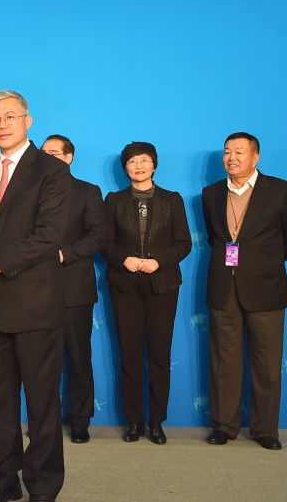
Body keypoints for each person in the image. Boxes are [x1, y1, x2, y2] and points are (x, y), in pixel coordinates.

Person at [0, 90, 71, 502]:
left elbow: (49, 236)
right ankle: (3, 482)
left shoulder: (51, 171)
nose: (2, 124)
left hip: (35, 307)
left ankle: (44, 487)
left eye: (10, 116)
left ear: (28, 120)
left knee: (42, 404)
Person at [203, 132, 287, 450]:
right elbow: (213, 238)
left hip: (265, 287)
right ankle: (224, 425)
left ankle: (266, 430)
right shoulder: (210, 193)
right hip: (223, 287)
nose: (231, 157)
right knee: (224, 360)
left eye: (239, 152)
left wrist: (264, 264)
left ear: (255, 157)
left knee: (267, 362)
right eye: (227, 151)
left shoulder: (281, 190)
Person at [102, 142, 191, 446]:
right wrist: (122, 259)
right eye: (132, 161)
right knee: (129, 354)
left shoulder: (172, 200)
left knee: (159, 354)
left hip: (162, 285)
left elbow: (183, 243)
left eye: (144, 160)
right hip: (124, 284)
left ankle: (156, 421)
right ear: (125, 167)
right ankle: (134, 421)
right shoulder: (113, 200)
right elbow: (104, 241)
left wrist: (159, 261)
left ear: (154, 165)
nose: (138, 166)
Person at [40, 135, 106, 444]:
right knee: (42, 362)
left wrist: (64, 253)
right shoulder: (30, 191)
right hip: (35, 290)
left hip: (74, 289)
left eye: (54, 153)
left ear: (68, 158)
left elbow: (98, 236)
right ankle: (45, 422)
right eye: (43, 153)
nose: (47, 157)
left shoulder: (87, 191)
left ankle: (80, 420)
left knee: (79, 358)